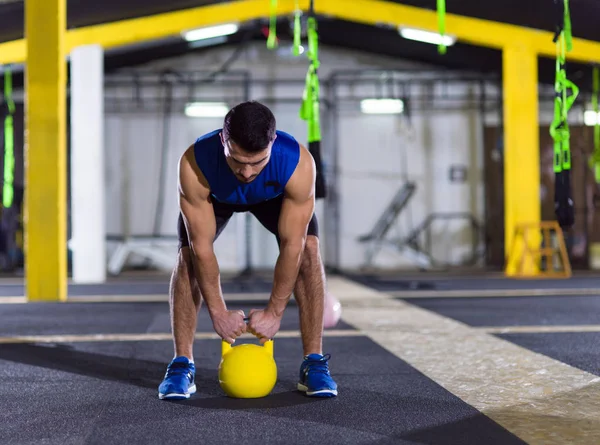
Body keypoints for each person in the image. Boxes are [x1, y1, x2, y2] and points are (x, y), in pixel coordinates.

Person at [158, 100, 338, 400]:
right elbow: (202, 249)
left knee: (307, 247)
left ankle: (314, 363)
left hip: (274, 198)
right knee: (188, 255)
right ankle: (181, 365)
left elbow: (291, 246)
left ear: (272, 144)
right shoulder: (194, 163)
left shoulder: (298, 164)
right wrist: (218, 312)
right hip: (217, 197)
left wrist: (275, 312)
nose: (246, 172)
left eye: (257, 162)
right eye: (237, 161)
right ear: (223, 141)